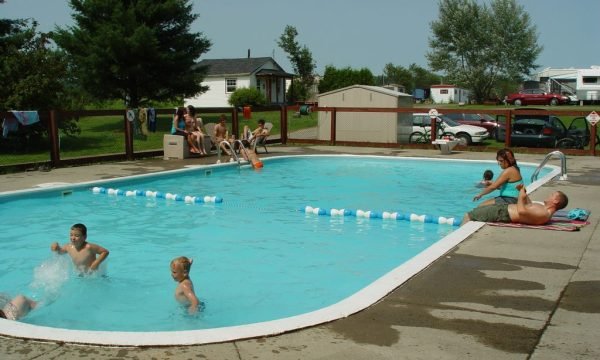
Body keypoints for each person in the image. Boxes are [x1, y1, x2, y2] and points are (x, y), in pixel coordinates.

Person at [461, 184, 568, 226]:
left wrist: (521, 197)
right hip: (502, 210)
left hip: (501, 213)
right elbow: (529, 206)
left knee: (468, 216)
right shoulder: (543, 210)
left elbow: (522, 212)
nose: (549, 195)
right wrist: (523, 192)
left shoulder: (544, 214)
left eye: (552, 195)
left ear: (556, 201)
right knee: (475, 212)